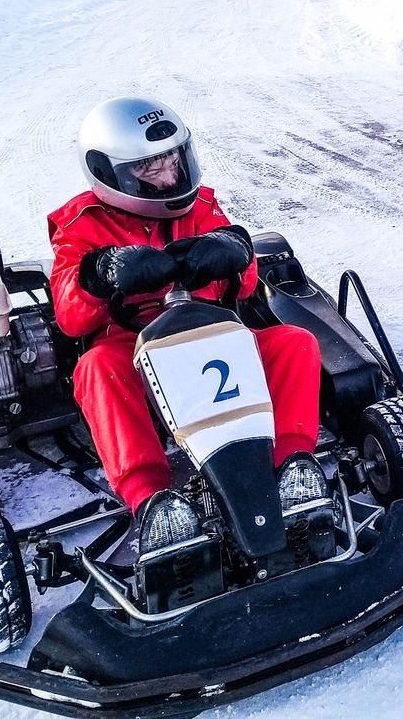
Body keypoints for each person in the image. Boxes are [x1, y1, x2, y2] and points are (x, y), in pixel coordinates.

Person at [48, 95, 325, 550]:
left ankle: (293, 468)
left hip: (216, 333)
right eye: (149, 168)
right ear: (107, 171)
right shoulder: (82, 225)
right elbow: (70, 317)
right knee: (95, 368)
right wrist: (103, 274)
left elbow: (249, 280)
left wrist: (233, 251)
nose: (168, 174)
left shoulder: (200, 207)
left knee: (294, 341)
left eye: (172, 159)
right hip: (135, 348)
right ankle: (154, 502)